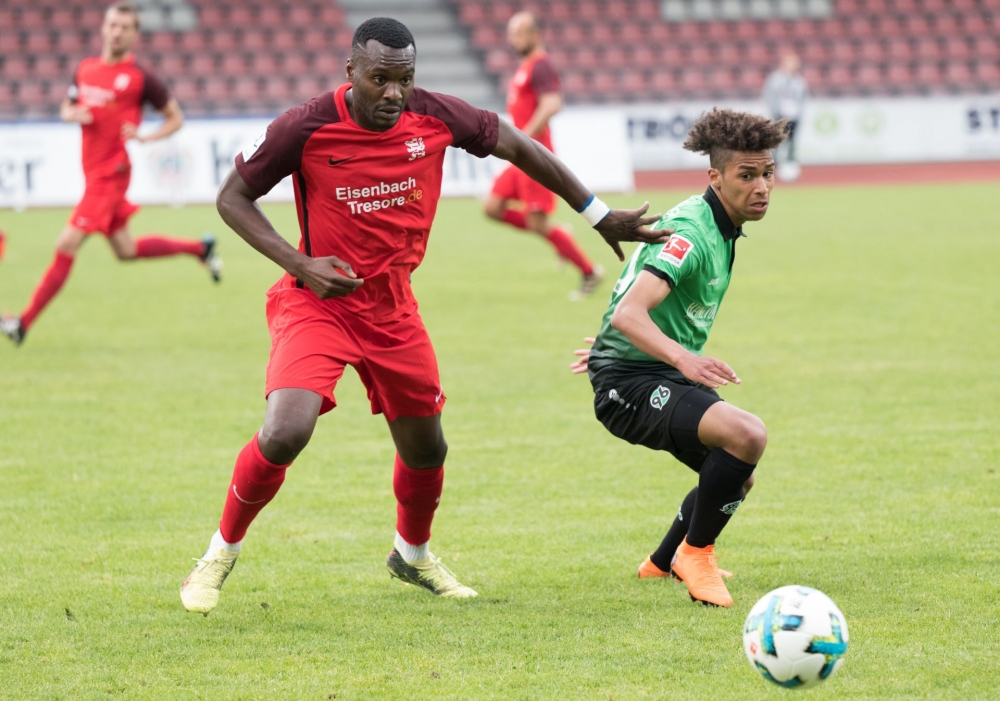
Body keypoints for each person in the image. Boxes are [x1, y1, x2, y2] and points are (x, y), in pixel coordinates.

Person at [179, 17, 667, 615]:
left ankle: (411, 555)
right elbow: (232, 197)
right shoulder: (305, 125)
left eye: (404, 80)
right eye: (380, 79)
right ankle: (219, 553)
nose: (394, 93)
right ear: (351, 71)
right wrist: (300, 263)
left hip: (393, 308)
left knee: (427, 449)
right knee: (286, 431)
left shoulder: (436, 115)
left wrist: (598, 214)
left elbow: (520, 145)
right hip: (318, 303)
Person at [572, 109, 787, 607]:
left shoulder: (720, 224)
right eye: (747, 175)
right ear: (715, 177)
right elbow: (630, 312)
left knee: (737, 475)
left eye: (767, 173)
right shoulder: (693, 230)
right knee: (747, 435)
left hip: (647, 366)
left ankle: (664, 560)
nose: (762, 187)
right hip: (629, 383)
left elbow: (635, 306)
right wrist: (677, 359)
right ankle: (696, 553)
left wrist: (615, 346)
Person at [0, 2, 221, 347]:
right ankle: (200, 249)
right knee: (125, 250)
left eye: (125, 27)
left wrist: (146, 138)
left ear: (134, 34)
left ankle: (22, 323)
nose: (117, 32)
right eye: (113, 25)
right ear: (103, 28)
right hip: (92, 174)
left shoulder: (140, 78)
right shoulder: (85, 69)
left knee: (66, 243)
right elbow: (67, 105)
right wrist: (71, 114)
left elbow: (175, 118)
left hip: (112, 174)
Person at [482, 11, 603, 301]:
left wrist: (523, 137)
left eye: (519, 33)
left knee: (537, 223)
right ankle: (559, 235)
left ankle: (589, 271)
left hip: (534, 156)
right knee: (492, 207)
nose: (513, 39)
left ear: (535, 34)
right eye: (511, 33)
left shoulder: (541, 66)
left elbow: (552, 104)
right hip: (520, 154)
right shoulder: (526, 67)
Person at [762, 52, 807, 182]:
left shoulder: (799, 81)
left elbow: (802, 98)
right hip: (779, 116)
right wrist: (775, 112)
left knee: (791, 142)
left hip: (794, 116)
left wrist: (799, 114)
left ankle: (790, 166)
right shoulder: (775, 79)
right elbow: (770, 96)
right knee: (776, 142)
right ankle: (773, 168)